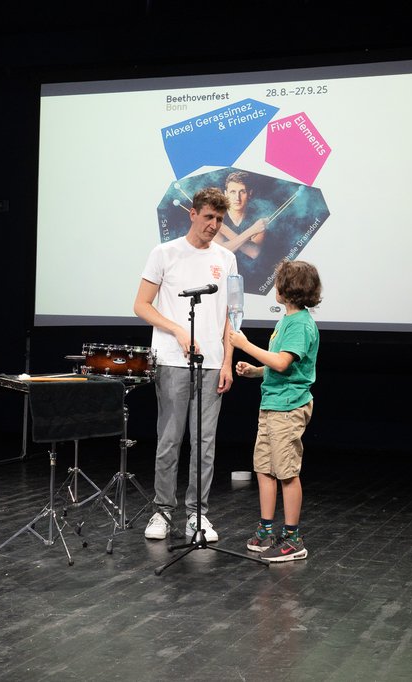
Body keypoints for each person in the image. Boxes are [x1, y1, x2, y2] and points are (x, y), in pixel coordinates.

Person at [134, 187, 238, 543]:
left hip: (212, 363)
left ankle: (198, 515)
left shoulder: (226, 258)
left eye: (219, 220)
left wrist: (227, 361)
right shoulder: (164, 253)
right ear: (192, 214)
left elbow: (230, 315)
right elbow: (142, 305)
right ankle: (162, 510)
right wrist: (178, 329)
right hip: (172, 360)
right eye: (208, 217)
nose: (213, 225)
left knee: (205, 443)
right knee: (170, 438)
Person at [228, 259, 322, 562]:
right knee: (265, 468)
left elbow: (282, 363)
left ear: (287, 289)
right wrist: (255, 370)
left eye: (278, 282)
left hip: (288, 407)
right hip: (271, 404)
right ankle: (267, 529)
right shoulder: (287, 321)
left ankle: (293, 539)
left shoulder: (301, 324)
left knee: (286, 472)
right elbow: (279, 366)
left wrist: (244, 345)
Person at [214, 171, 267, 258]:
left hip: (253, 270)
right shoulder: (217, 217)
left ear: (249, 194)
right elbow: (220, 253)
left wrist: (223, 229)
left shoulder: (258, 219)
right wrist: (253, 230)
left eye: (242, 192)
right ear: (226, 194)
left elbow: (254, 252)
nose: (237, 198)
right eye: (233, 192)